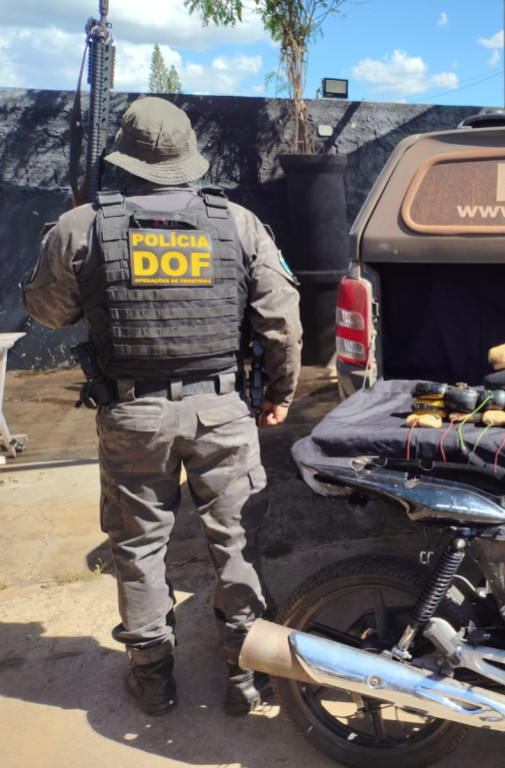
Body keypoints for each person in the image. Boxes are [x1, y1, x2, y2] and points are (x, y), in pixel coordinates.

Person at [22, 97, 302, 716]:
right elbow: (281, 319)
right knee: (236, 542)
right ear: (187, 154)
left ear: (125, 156)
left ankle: (152, 676)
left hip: (132, 416)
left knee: (138, 544)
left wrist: (62, 240)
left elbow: (48, 312)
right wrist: (279, 393)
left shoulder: (82, 225)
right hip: (221, 411)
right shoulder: (238, 222)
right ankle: (246, 674)